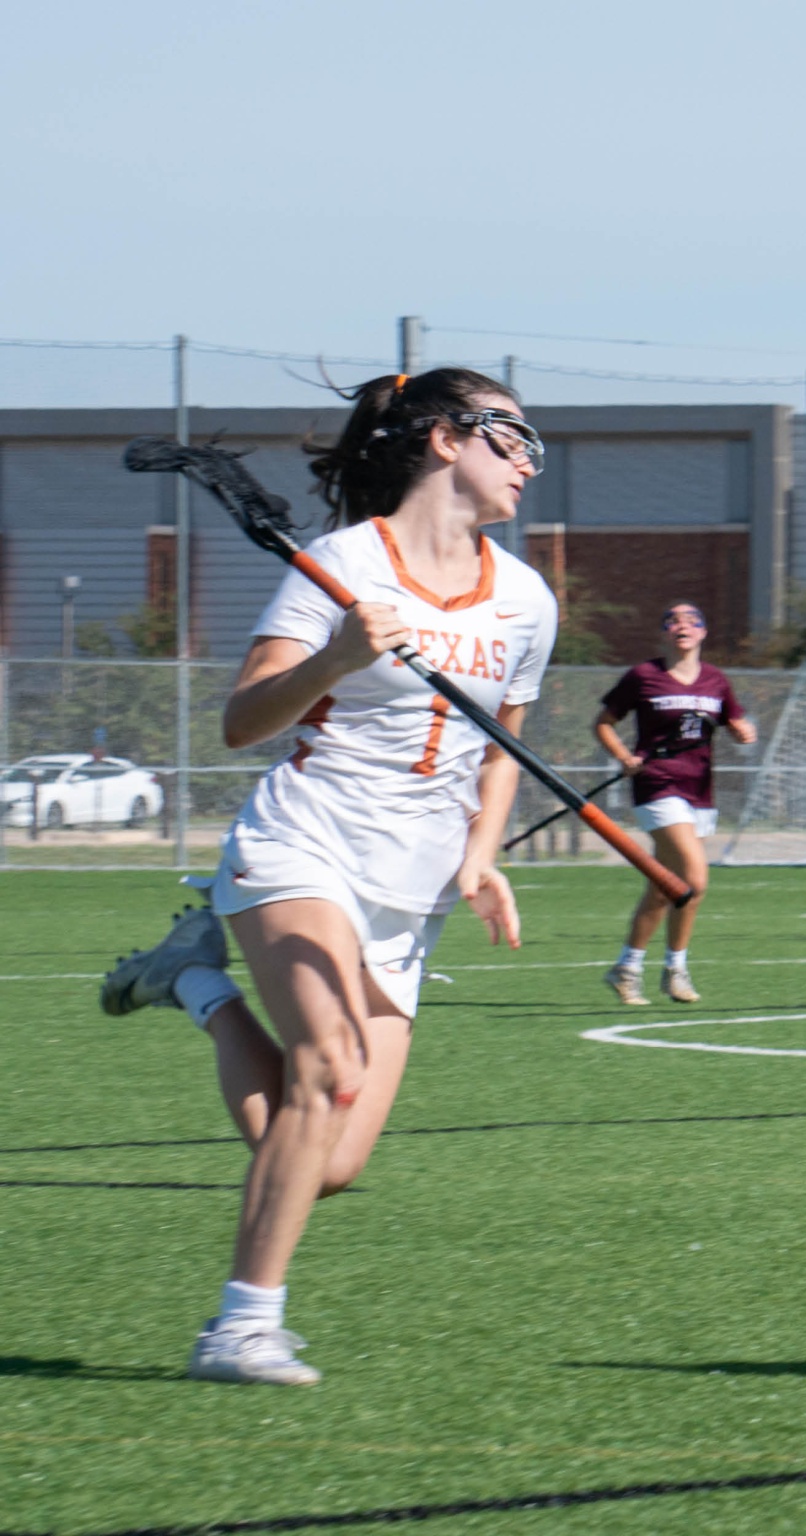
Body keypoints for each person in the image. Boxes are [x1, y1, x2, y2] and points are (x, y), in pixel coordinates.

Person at [97, 368, 557, 1385]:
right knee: (328, 1066)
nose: (530, 461)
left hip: (415, 887)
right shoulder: (341, 565)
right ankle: (241, 1328)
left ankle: (193, 983)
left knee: (333, 1160)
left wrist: (482, 861)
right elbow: (241, 722)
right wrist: (336, 658)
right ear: (445, 439)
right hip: (303, 845)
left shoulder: (525, 599)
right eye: (513, 438)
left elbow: (499, 750)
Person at [596, 603, 756, 1005]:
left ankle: (626, 967)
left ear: (703, 633)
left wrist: (742, 732)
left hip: (699, 792)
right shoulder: (644, 677)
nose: (681, 625)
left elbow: (734, 722)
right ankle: (676, 969)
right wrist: (624, 757)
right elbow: (602, 723)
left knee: (665, 887)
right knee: (694, 880)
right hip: (657, 786)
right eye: (672, 620)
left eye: (691, 621)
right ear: (664, 634)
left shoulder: (716, 681)